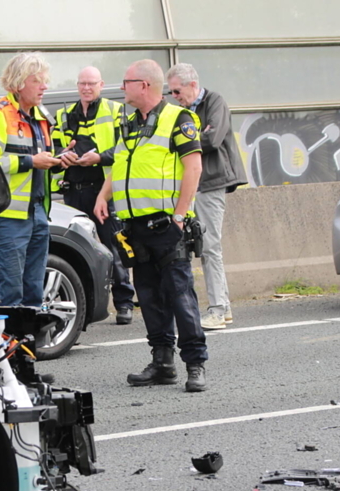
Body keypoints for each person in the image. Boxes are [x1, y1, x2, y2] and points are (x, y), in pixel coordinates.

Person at [95, 59, 208, 392]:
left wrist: (180, 214)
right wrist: (104, 195)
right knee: (149, 297)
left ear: (143, 85)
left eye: (126, 81)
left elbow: (194, 168)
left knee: (179, 295)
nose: (121, 87)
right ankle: (162, 363)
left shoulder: (179, 119)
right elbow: (119, 164)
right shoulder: (129, 123)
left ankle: (195, 363)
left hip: (167, 226)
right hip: (136, 228)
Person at [0, 53, 63, 307]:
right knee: (12, 289)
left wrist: (60, 160)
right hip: (10, 214)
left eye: (44, 80)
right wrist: (31, 162)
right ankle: (9, 344)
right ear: (19, 83)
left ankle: (30, 344)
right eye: (37, 81)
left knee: (34, 289)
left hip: (38, 211)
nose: (44, 86)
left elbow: (44, 157)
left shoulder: (41, 115)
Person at [53, 66, 135, 325]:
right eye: (82, 84)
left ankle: (124, 303)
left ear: (101, 85)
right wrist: (64, 154)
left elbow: (125, 147)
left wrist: (99, 157)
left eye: (91, 83)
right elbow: (54, 148)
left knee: (113, 246)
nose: (86, 88)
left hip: (103, 191)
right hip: (74, 191)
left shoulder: (115, 110)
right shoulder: (64, 114)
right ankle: (84, 307)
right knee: (80, 250)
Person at [166, 64, 246, 331]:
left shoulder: (214, 101)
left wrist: (183, 139)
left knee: (210, 246)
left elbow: (212, 138)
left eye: (177, 90)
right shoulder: (181, 111)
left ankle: (217, 309)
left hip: (212, 180)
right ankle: (223, 306)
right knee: (198, 245)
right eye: (171, 92)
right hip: (193, 183)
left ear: (192, 85)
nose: (174, 96)